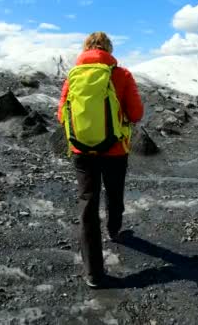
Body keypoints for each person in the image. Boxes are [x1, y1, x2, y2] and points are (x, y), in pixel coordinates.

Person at [57, 32, 144, 288]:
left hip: (82, 152)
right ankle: (114, 229)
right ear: (109, 49)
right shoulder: (122, 74)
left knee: (87, 204)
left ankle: (93, 273)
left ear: (85, 49)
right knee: (114, 192)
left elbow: (62, 114)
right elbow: (136, 114)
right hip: (115, 149)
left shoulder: (73, 76)